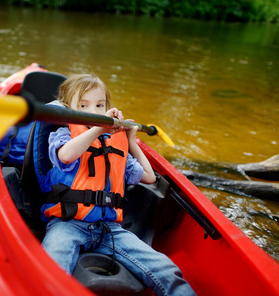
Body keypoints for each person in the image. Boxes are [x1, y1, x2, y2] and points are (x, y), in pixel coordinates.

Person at [39, 74, 196, 296]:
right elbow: (66, 156)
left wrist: (131, 142)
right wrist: (98, 129)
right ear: (68, 110)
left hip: (109, 229)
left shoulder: (116, 144)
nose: (93, 111)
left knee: (166, 268)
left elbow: (150, 177)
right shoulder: (62, 135)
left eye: (99, 105)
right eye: (83, 105)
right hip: (67, 225)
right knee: (50, 268)